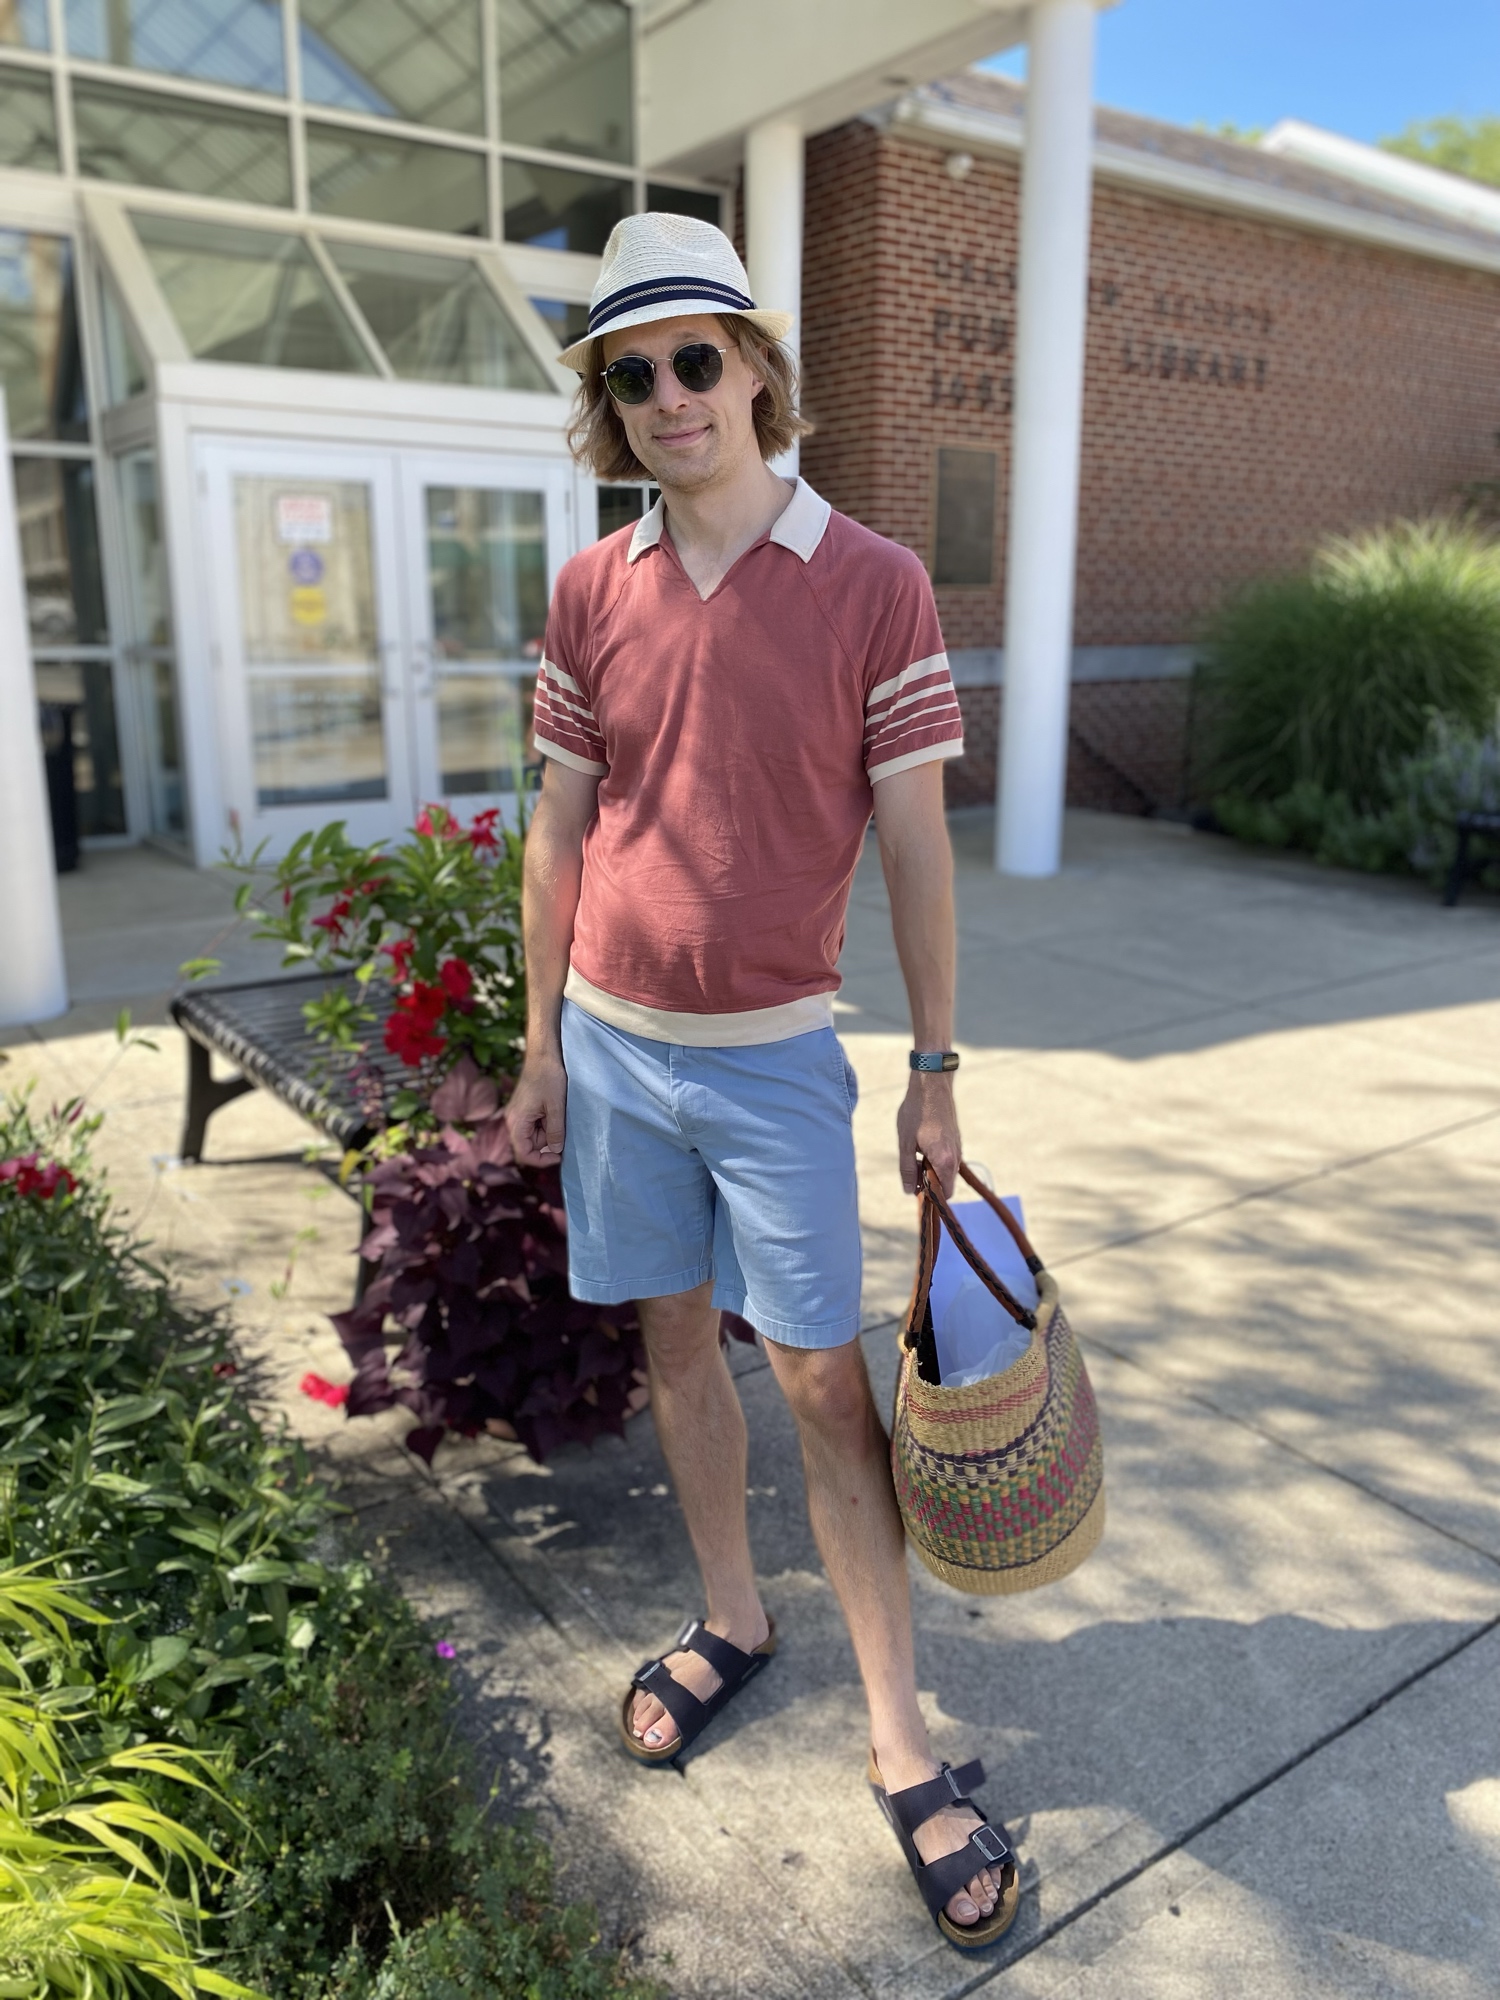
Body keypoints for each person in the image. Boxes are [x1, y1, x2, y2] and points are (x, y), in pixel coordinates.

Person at [505, 212, 1019, 1949]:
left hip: (776, 1059)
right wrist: (539, 1045)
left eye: (694, 359)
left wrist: (934, 1069)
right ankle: (734, 1616)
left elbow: (920, 852)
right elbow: (560, 829)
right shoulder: (592, 588)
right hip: (612, 1045)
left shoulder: (872, 581)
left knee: (820, 1385)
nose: (668, 396)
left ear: (754, 368)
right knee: (674, 1344)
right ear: (609, 404)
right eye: (630, 374)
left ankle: (901, 1739)